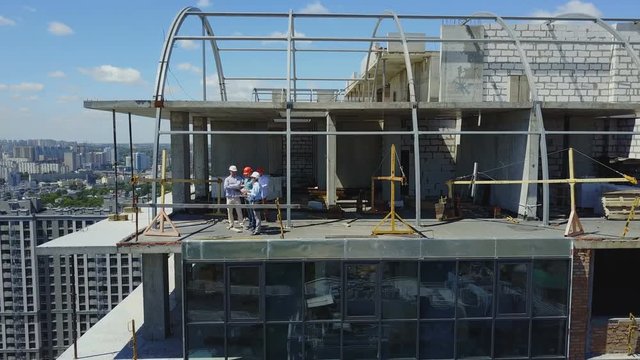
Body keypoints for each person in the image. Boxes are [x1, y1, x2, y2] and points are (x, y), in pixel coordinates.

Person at [223, 165, 244, 229]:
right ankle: (231, 223)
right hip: (229, 197)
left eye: (235, 171)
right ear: (230, 171)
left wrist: (230, 186)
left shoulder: (238, 178)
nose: (234, 172)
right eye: (233, 171)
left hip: (236, 196)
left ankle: (241, 223)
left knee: (239, 210)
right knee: (229, 211)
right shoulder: (227, 179)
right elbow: (225, 187)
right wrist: (235, 186)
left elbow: (238, 185)